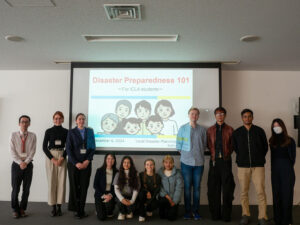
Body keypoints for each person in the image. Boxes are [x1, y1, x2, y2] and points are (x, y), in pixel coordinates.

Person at [232, 109, 268, 225]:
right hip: (243, 166)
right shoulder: (237, 132)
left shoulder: (259, 131)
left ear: (252, 117)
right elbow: (235, 148)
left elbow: (265, 147)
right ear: (242, 118)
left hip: (258, 166)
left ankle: (262, 216)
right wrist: (243, 158)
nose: (247, 118)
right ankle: (245, 214)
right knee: (243, 192)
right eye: (245, 117)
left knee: (261, 191)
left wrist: (258, 158)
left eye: (249, 116)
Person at [176, 107, 207, 220]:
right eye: (192, 114)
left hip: (199, 163)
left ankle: (196, 211)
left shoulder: (203, 130)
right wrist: (186, 155)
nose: (194, 116)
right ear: (189, 115)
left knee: (197, 188)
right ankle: (188, 212)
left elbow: (204, 145)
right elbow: (178, 146)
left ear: (198, 116)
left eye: (196, 114)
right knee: (188, 187)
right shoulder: (182, 129)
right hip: (186, 163)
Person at [207, 107, 235, 222]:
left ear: (225, 115)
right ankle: (215, 215)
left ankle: (226, 216)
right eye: (218, 114)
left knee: (227, 190)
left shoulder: (230, 129)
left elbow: (232, 145)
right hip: (214, 162)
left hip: (226, 162)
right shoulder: (210, 130)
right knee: (213, 190)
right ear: (215, 116)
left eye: (222, 114)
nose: (220, 116)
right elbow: (209, 145)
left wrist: (226, 155)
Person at [66, 113, 95, 219]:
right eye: (79, 119)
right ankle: (76, 209)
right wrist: (76, 163)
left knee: (84, 187)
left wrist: (87, 160)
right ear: (76, 121)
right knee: (74, 187)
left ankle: (81, 210)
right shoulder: (71, 132)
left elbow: (92, 148)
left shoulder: (90, 131)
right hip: (73, 165)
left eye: (83, 119)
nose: (82, 121)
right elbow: (68, 149)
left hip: (86, 164)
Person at [269, 118, 296, 225]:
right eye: (274, 126)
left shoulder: (290, 140)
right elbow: (272, 158)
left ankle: (287, 220)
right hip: (275, 171)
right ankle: (278, 219)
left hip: (287, 170)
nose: (276, 127)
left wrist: (287, 168)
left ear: (282, 126)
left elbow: (293, 158)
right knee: (276, 195)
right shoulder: (271, 141)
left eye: (278, 125)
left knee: (287, 195)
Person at [10, 115, 36, 218]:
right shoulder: (13, 135)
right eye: (22, 122)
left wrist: (26, 162)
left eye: (26, 122)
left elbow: (33, 151)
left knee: (26, 189)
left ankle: (22, 209)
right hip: (16, 165)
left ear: (29, 124)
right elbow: (12, 151)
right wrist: (20, 162)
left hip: (28, 165)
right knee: (15, 188)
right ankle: (15, 209)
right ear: (19, 123)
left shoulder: (33, 135)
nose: (24, 124)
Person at [42, 111, 68, 217]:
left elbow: (68, 146)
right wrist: (52, 159)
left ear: (62, 119)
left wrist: (62, 158)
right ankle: (53, 207)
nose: (57, 120)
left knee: (61, 182)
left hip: (62, 155)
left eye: (59, 118)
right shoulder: (48, 131)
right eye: (56, 118)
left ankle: (59, 207)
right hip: (51, 156)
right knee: (52, 181)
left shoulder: (66, 131)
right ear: (53, 119)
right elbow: (44, 147)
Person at [113, 156, 140, 220]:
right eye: (124, 162)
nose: (126, 164)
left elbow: (136, 188)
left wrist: (132, 200)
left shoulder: (136, 174)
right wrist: (122, 199)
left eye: (128, 163)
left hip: (131, 196)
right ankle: (122, 212)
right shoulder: (118, 174)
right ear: (122, 164)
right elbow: (116, 189)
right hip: (121, 195)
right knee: (118, 200)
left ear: (131, 164)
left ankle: (129, 212)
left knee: (130, 208)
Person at [157, 155, 183, 221]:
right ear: (163, 163)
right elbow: (159, 186)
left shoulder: (178, 173)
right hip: (164, 197)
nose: (168, 164)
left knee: (171, 218)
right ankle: (164, 209)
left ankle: (171, 209)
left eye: (170, 162)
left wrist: (174, 201)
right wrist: (167, 196)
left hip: (173, 198)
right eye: (166, 162)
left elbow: (179, 188)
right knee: (162, 217)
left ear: (173, 163)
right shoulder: (159, 172)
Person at [93, 153, 118, 220]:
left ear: (114, 160)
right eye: (108, 158)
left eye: (112, 159)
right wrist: (104, 195)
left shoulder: (117, 172)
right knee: (101, 218)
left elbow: (117, 187)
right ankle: (99, 210)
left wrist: (110, 195)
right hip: (100, 194)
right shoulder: (99, 170)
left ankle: (106, 209)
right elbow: (95, 185)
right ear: (105, 160)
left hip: (111, 195)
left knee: (109, 213)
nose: (110, 160)